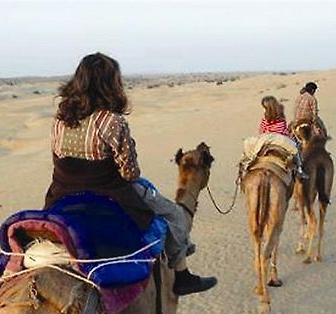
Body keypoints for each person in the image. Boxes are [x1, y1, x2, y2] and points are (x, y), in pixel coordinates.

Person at [44, 52, 217, 296]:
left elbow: (57, 160)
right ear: (110, 84)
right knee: (175, 215)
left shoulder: (60, 119)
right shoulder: (112, 122)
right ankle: (182, 275)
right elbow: (129, 172)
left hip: (61, 195)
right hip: (109, 193)